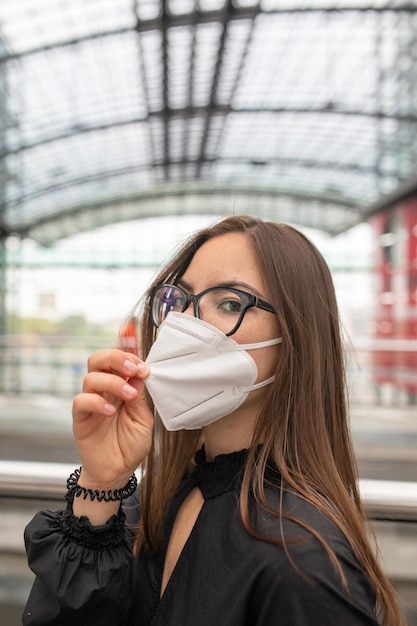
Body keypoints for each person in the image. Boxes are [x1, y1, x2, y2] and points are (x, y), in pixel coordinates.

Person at [23, 215, 404, 625]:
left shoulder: (303, 561)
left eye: (229, 303)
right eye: (180, 300)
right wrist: (103, 483)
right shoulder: (161, 500)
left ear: (296, 335)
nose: (185, 323)